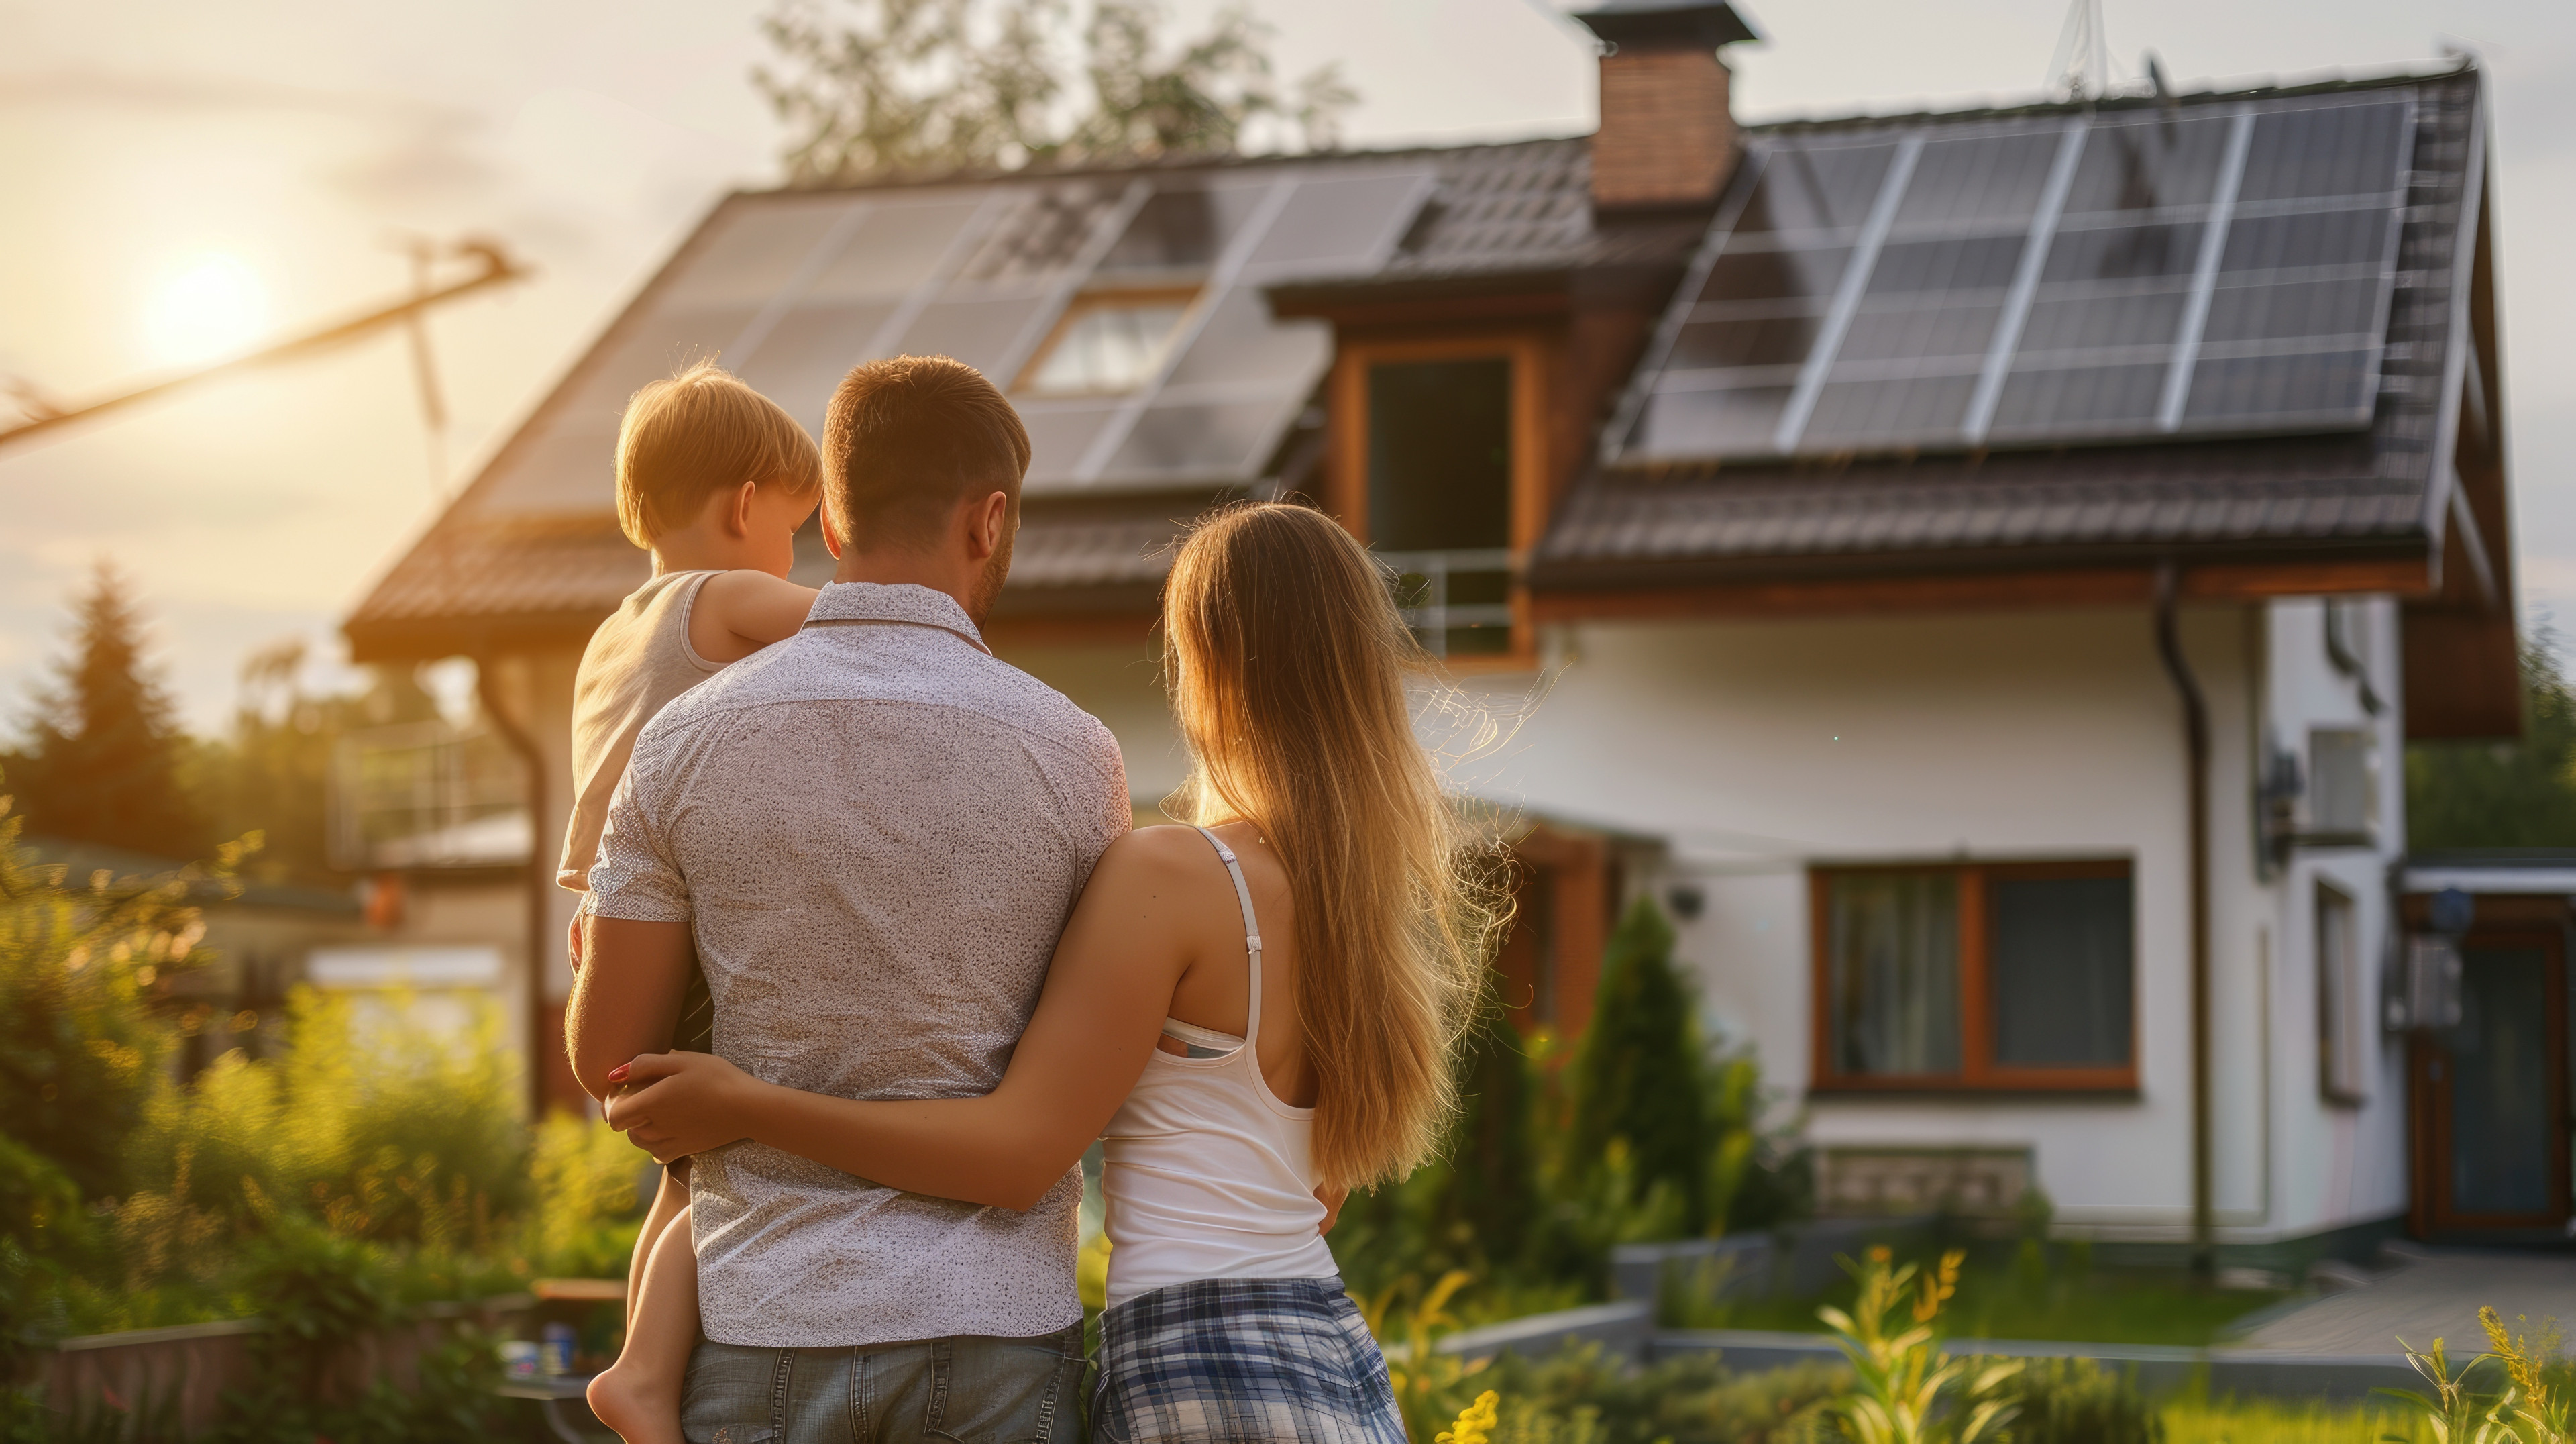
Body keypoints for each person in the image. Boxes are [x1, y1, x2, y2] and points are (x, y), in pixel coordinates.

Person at [603, 501, 1505, 1444]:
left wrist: (749, 1106)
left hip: (1203, 1359)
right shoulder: (1354, 904)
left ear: (1212, 662)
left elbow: (1018, 1154)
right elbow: (1317, 1195)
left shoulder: (1176, 877)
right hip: (1327, 1347)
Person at [569, 354, 1128, 1444]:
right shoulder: (1075, 755)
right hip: (996, 1340)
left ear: (832, 521)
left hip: (763, 1319)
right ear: (991, 521)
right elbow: (1078, 1095)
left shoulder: (680, 739)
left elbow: (614, 1066)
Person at [553, 360, 824, 1440]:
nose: (794, 552)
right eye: (798, 526)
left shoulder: (610, 634)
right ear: (746, 504)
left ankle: (641, 1369)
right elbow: (870, 630)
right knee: (721, 1163)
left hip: (609, 937)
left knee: (681, 1174)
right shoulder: (728, 597)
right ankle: (645, 1376)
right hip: (690, 936)